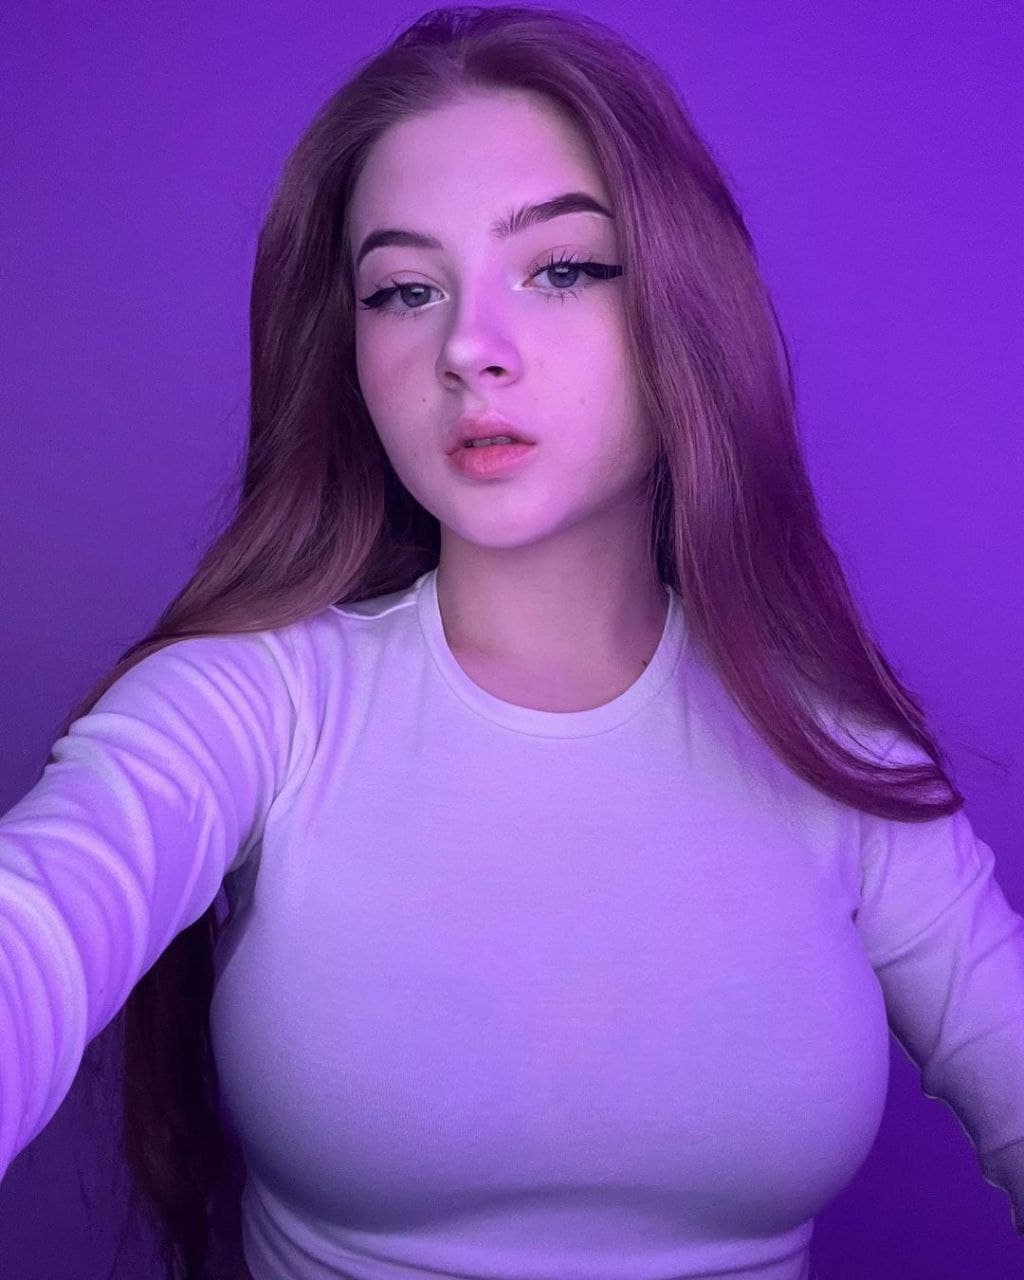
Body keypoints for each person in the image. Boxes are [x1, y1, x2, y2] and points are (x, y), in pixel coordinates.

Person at [1, 6, 1021, 1280]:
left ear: (685, 305)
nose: (468, 349)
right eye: (404, 291)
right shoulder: (250, 705)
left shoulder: (833, 752)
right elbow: (33, 926)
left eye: (562, 268)